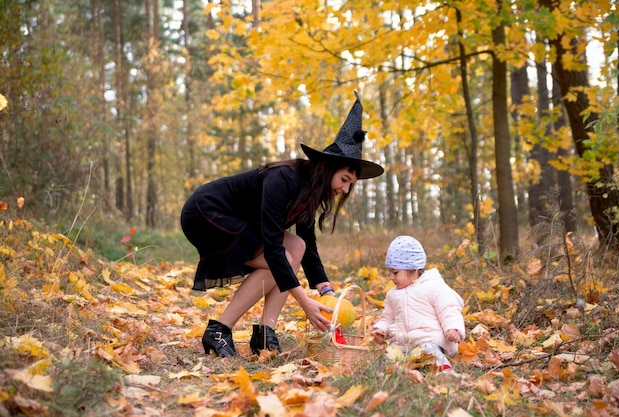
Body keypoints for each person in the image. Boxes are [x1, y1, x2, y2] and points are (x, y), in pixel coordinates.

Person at [181, 91, 384, 357]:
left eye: (350, 184)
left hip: (236, 219)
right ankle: (218, 330)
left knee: (296, 246)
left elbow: (308, 245)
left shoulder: (309, 191)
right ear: (326, 168)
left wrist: (325, 288)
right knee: (281, 259)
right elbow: (274, 247)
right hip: (206, 212)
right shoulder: (284, 180)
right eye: (344, 179)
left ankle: (265, 335)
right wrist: (305, 302)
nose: (346, 190)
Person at [370, 236, 465, 372]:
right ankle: (377, 375)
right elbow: (388, 318)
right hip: (401, 346)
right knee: (383, 363)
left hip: (428, 340)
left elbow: (448, 308)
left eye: (395, 272)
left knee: (431, 354)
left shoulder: (433, 286)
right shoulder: (392, 294)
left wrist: (453, 328)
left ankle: (446, 374)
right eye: (389, 272)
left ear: (414, 270)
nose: (391, 277)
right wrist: (381, 329)